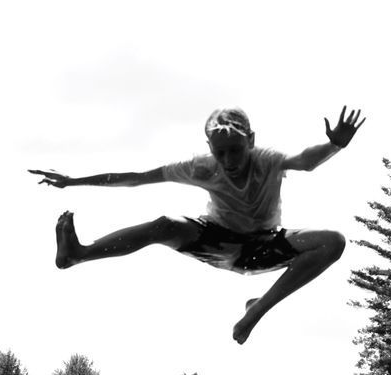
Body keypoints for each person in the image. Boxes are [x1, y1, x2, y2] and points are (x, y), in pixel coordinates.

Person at [30, 106, 365, 344]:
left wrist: (335, 145)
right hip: (216, 240)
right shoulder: (201, 168)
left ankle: (257, 308)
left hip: (264, 245)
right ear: (210, 149)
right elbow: (135, 179)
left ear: (251, 140)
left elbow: (306, 161)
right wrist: (72, 181)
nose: (230, 162)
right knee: (163, 225)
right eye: (221, 153)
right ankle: (78, 254)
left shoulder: (267, 159)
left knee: (332, 241)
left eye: (236, 151)